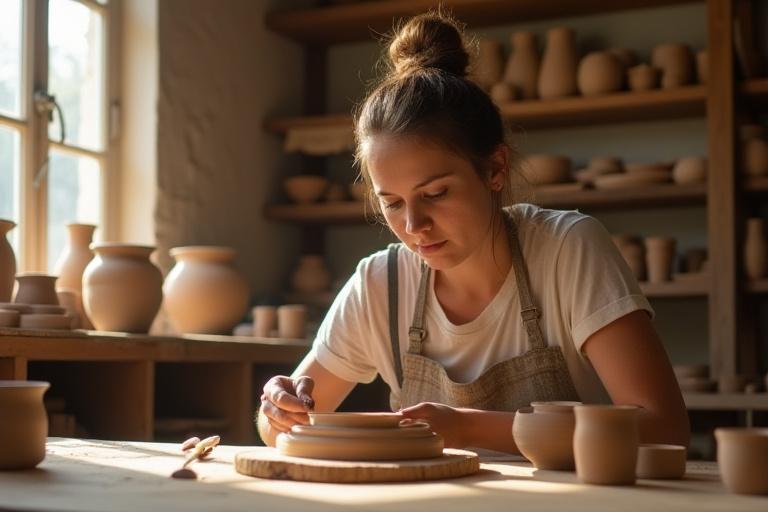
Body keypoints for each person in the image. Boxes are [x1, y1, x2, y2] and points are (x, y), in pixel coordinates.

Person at [257, 11, 690, 453]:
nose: (413, 226)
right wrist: (278, 409)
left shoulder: (567, 250)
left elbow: (663, 427)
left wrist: (466, 429)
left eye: (436, 192)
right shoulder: (381, 284)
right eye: (392, 203)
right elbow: (281, 430)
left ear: (495, 170)